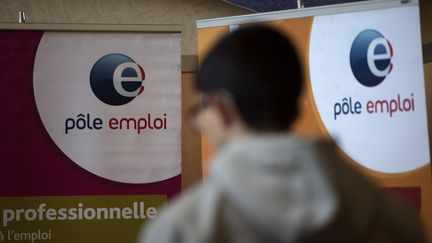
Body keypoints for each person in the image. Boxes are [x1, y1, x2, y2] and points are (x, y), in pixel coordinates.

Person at [139, 26, 425, 243]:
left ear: (221, 107)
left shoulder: (182, 229)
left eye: (201, 109)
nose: (200, 123)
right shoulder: (394, 219)